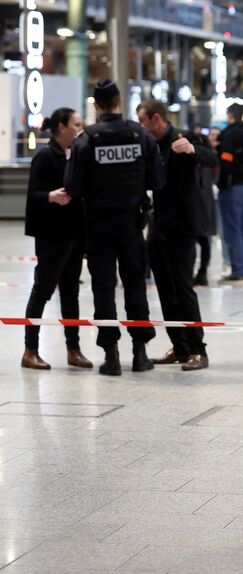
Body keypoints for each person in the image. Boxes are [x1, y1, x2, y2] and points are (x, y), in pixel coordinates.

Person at [65, 79, 165, 376]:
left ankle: (110, 356)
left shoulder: (87, 139)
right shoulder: (140, 136)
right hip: (132, 224)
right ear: (119, 102)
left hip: (98, 226)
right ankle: (140, 353)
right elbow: (157, 181)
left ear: (95, 106)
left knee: (103, 289)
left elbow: (73, 186)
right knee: (135, 286)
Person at [136, 99, 217, 371]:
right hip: (158, 226)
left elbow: (212, 158)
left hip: (182, 227)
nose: (141, 127)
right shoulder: (149, 145)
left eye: (143, 121)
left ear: (156, 118)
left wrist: (193, 149)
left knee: (183, 290)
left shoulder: (183, 137)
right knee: (165, 291)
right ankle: (180, 347)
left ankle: (198, 350)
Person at [21, 108, 92, 370]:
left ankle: (73, 348)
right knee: (42, 290)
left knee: (71, 291)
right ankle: (30, 349)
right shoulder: (44, 157)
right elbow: (33, 196)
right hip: (52, 235)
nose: (79, 128)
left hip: (74, 233)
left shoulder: (74, 155)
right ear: (61, 127)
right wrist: (51, 196)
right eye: (76, 124)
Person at [217, 103, 243, 282]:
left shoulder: (230, 134)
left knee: (232, 229)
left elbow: (226, 161)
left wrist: (221, 182)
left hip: (232, 186)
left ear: (230, 116)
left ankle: (238, 269)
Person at [193, 130, 219, 286]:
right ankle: (201, 272)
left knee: (201, 241)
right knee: (204, 241)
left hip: (201, 204)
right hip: (205, 204)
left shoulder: (206, 160)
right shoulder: (211, 159)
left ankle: (201, 272)